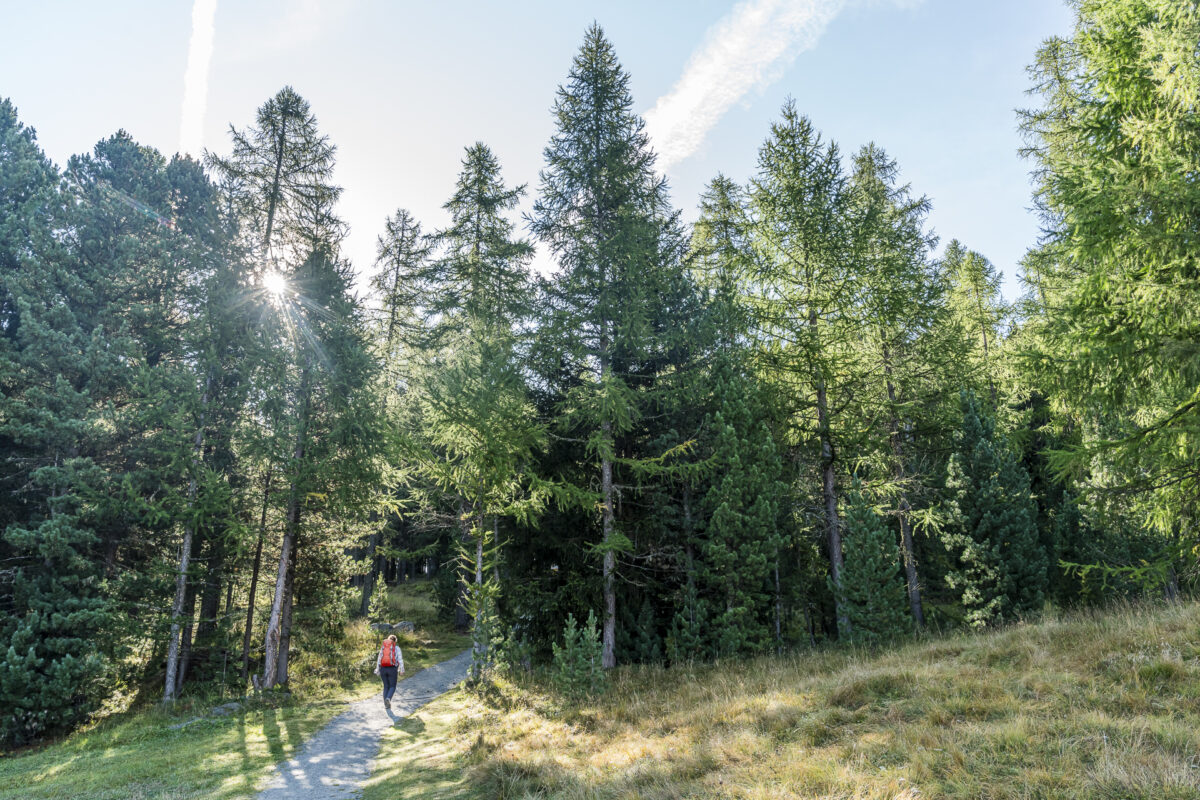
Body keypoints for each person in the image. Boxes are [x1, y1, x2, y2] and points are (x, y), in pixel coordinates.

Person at [373, 634, 405, 709]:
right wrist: (402, 670)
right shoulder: (397, 648)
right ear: (395, 642)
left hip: (383, 669)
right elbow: (400, 660)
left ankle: (386, 704)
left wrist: (377, 669)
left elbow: (379, 659)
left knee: (386, 686)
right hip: (392, 669)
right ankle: (388, 699)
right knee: (392, 686)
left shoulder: (383, 648)